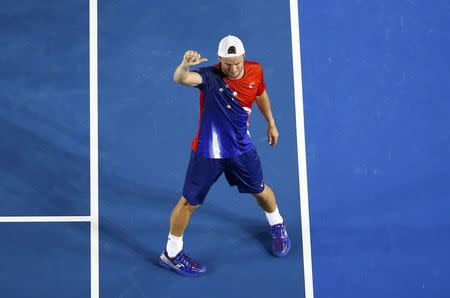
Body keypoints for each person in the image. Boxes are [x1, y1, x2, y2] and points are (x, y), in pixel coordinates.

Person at [159, 35, 290, 277]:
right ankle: (172, 253)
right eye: (227, 64)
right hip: (208, 152)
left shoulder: (255, 71)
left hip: (241, 149)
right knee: (188, 202)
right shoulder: (209, 77)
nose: (233, 68)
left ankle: (277, 224)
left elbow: (260, 94)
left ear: (244, 57)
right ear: (220, 60)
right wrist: (185, 65)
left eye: (237, 63)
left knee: (261, 191)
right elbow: (181, 78)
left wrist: (271, 122)